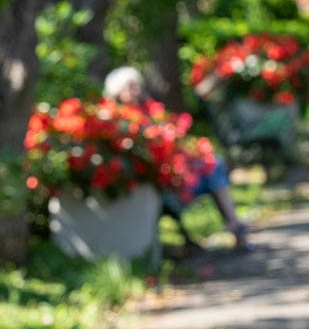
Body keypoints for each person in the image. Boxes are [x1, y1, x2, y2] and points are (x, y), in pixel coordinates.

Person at [102, 66, 253, 251]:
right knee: (214, 168)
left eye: (137, 86)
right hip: (161, 181)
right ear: (117, 92)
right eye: (130, 87)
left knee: (214, 164)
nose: (136, 91)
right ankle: (234, 225)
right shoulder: (118, 119)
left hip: (174, 175)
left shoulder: (150, 112)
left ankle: (234, 224)